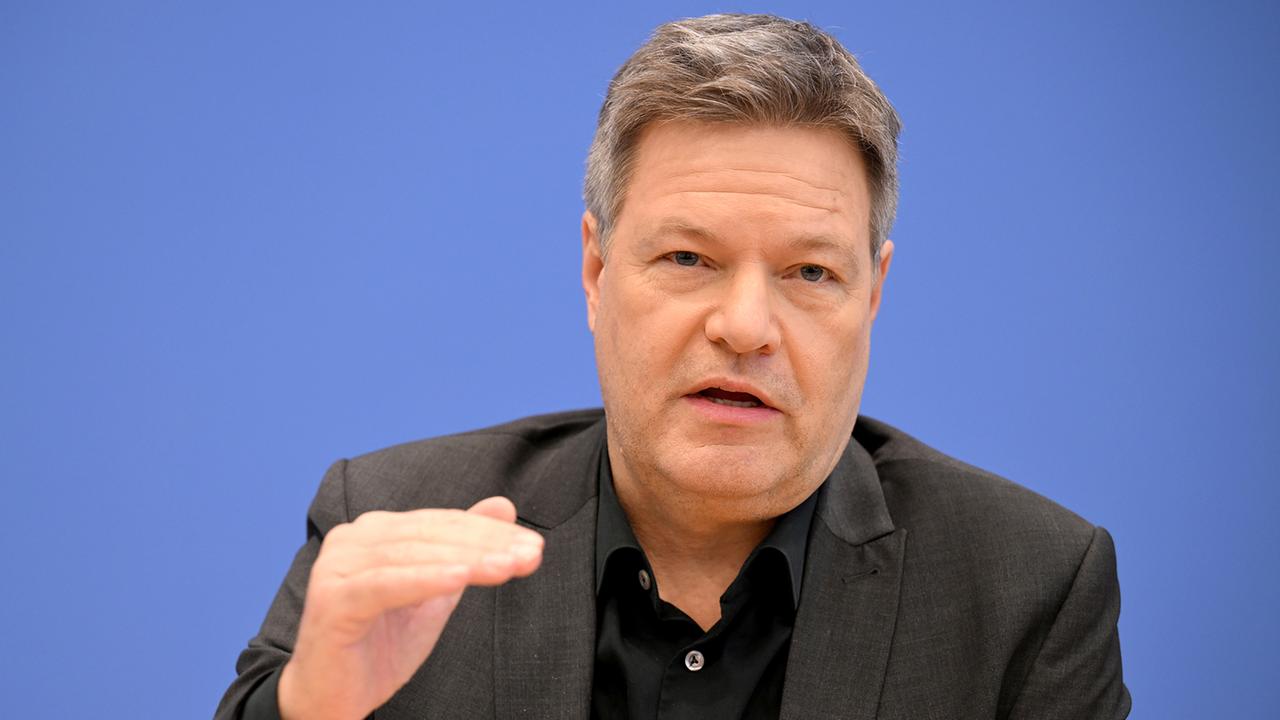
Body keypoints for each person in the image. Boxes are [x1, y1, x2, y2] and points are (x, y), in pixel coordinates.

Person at [216, 13, 1130, 720]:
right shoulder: (389, 519)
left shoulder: (1028, 588)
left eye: (811, 273)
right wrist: (315, 710)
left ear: (874, 295)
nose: (745, 327)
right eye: (688, 258)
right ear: (596, 271)